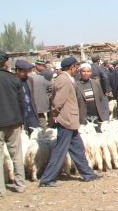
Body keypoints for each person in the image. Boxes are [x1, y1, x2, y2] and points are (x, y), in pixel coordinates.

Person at [39, 56, 101, 187]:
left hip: (70, 121)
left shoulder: (66, 79)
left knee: (78, 149)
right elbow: (58, 102)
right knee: (60, 150)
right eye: (76, 67)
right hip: (66, 121)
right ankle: (47, 179)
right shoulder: (64, 80)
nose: (77, 70)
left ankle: (88, 174)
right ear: (71, 67)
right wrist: (54, 117)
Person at [0, 51, 26, 195]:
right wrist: (22, 120)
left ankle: (1, 189)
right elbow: (21, 102)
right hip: (14, 122)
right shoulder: (13, 79)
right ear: (5, 63)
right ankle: (20, 184)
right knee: (16, 154)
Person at [76, 62, 109, 126]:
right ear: (80, 72)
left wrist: (105, 115)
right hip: (83, 116)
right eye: (84, 71)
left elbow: (101, 99)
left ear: (91, 72)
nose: (86, 73)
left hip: (96, 115)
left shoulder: (96, 83)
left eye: (88, 71)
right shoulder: (76, 85)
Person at [15, 59, 41, 132]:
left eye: (27, 71)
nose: (26, 74)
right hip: (20, 116)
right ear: (17, 70)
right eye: (24, 72)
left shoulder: (29, 80)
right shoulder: (13, 81)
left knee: (36, 136)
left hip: (32, 114)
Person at [28, 61, 51, 128]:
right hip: (39, 107)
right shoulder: (41, 77)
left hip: (28, 107)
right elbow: (51, 86)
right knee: (42, 122)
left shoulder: (23, 78)